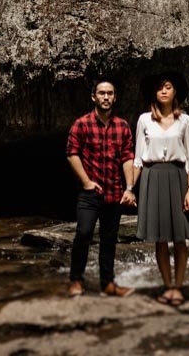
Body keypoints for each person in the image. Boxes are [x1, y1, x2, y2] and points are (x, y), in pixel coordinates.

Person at [65, 77, 138, 298]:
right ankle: (76, 280)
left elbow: (127, 158)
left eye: (109, 93)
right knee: (83, 234)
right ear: (94, 97)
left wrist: (130, 187)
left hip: (114, 193)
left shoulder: (122, 126)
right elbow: (71, 153)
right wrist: (86, 182)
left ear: (115, 97)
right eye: (101, 93)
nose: (105, 97)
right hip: (90, 194)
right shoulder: (82, 124)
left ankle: (108, 284)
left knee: (109, 240)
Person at [130, 71, 189, 305]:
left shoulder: (185, 121)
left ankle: (178, 287)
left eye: (168, 87)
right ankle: (167, 286)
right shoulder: (144, 120)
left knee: (180, 238)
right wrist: (130, 187)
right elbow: (138, 158)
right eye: (160, 88)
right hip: (152, 176)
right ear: (155, 94)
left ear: (175, 91)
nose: (164, 91)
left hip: (178, 177)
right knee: (160, 239)